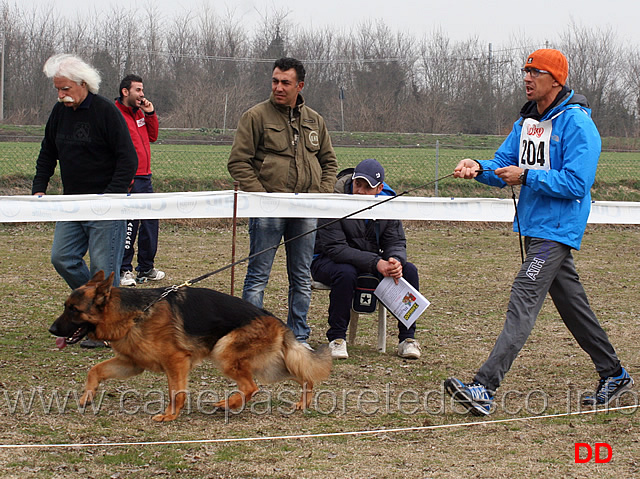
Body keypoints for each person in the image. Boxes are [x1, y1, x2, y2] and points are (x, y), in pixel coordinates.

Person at [445, 49, 633, 415]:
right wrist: (476, 166)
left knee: (523, 296)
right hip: (534, 226)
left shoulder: (578, 125)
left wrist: (527, 176)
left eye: (536, 72)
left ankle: (484, 387)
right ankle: (614, 374)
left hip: (557, 231)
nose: (527, 78)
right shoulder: (528, 121)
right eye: (525, 71)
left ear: (557, 80)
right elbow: (502, 165)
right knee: (573, 307)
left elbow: (578, 183)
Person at [228, 57, 338, 350]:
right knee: (257, 277)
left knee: (301, 277)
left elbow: (329, 162)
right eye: (275, 81)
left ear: (299, 85)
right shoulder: (255, 117)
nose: (278, 87)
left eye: (285, 82)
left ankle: (298, 337)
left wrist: (321, 195)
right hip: (268, 209)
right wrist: (262, 197)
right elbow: (239, 162)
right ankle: (251, 337)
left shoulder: (315, 121)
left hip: (305, 210)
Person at [32, 54, 137, 347]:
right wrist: (39, 186)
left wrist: (111, 196)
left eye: (65, 89)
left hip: (106, 204)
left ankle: (108, 330)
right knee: (62, 257)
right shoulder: (58, 113)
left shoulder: (106, 112)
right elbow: (47, 151)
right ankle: (90, 308)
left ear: (82, 84)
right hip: (71, 203)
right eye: (57, 89)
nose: (61, 95)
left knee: (104, 267)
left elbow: (128, 158)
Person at [311, 159, 422, 360]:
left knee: (409, 271)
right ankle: (337, 339)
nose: (360, 191)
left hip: (371, 262)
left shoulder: (388, 204)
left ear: (379, 188)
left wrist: (395, 260)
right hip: (327, 260)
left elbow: (396, 241)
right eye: (357, 184)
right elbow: (335, 248)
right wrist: (376, 262)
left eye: (367, 187)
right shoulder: (333, 201)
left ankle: (407, 339)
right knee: (345, 272)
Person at [115, 74, 165, 286]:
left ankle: (146, 267)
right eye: (138, 90)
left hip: (146, 177)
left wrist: (150, 113)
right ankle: (124, 269)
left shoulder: (140, 114)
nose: (142, 94)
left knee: (150, 223)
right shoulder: (115, 114)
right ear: (125, 91)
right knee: (130, 224)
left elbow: (152, 137)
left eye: (142, 90)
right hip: (129, 179)